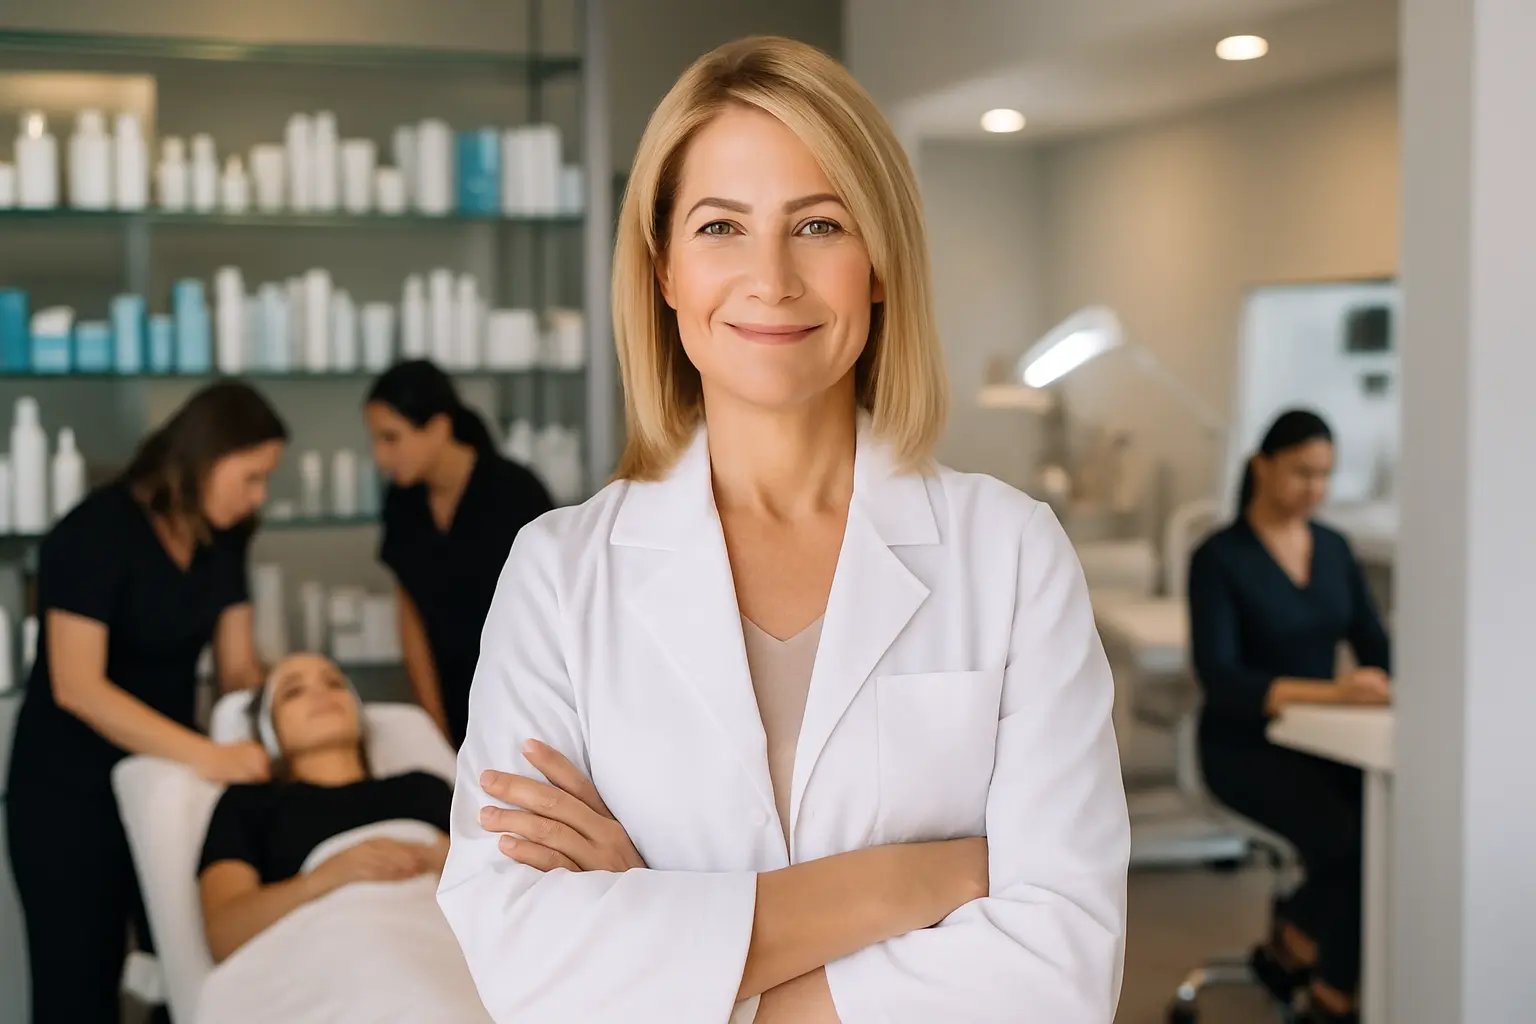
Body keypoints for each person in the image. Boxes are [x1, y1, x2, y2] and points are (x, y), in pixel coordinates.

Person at [437, 36, 1129, 1023]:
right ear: (664, 270)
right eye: (721, 226)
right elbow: (521, 954)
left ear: (881, 263)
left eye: (818, 225)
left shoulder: (1010, 553)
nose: (771, 277)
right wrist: (910, 881)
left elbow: (1063, 965)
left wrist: (674, 942)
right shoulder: (558, 574)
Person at [4, 381, 287, 1023]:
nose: (258, 497)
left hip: (165, 782)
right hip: (67, 796)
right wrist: (208, 756)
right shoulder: (94, 533)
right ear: (205, 456)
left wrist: (299, 691)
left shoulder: (226, 538)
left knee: (182, 974)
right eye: (251, 477)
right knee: (78, 987)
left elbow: (239, 667)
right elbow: (77, 686)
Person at [1189, 408, 1391, 1024]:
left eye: (1325, 475)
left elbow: (1378, 647)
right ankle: (1332, 997)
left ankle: (1294, 946)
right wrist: (1335, 693)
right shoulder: (1219, 558)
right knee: (1355, 845)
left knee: (1390, 828)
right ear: (1263, 466)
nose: (1315, 489)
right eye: (1302, 472)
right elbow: (1223, 683)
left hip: (1323, 743)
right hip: (1242, 748)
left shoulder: (1332, 549)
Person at [194, 653, 489, 1024]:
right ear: (270, 730)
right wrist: (329, 877)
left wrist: (438, 859)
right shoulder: (250, 804)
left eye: (334, 683)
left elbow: (498, 878)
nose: (321, 694)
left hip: (438, 937)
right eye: (294, 691)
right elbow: (224, 933)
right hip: (338, 950)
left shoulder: (422, 788)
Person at [364, 360, 553, 747]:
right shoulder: (403, 503)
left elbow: (549, 617)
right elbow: (411, 614)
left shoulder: (515, 492)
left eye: (391, 438)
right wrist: (433, 725)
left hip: (526, 700)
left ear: (438, 427)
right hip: (446, 697)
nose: (380, 457)